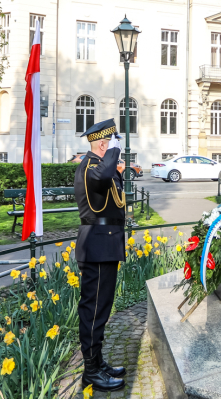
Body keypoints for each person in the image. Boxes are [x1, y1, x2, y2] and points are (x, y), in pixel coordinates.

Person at [73, 118, 127, 391]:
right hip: (97, 246)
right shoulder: (90, 167)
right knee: (93, 311)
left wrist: (115, 164)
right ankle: (91, 371)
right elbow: (104, 177)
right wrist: (114, 152)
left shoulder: (98, 168)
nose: (117, 149)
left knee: (101, 310)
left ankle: (98, 362)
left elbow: (110, 192)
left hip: (105, 245)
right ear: (103, 145)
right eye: (113, 144)